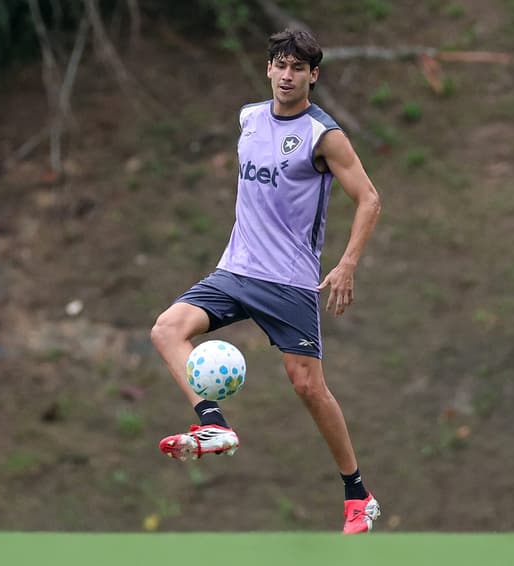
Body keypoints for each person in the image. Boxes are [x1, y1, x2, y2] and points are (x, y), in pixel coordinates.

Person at [150, 28, 382, 534]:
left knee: (307, 387)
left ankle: (357, 494)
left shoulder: (325, 135)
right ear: (268, 68)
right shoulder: (249, 118)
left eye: (298, 67)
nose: (287, 74)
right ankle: (214, 425)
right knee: (167, 329)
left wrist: (345, 264)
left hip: (289, 282)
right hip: (236, 269)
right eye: (280, 64)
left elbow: (369, 198)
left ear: (312, 76)